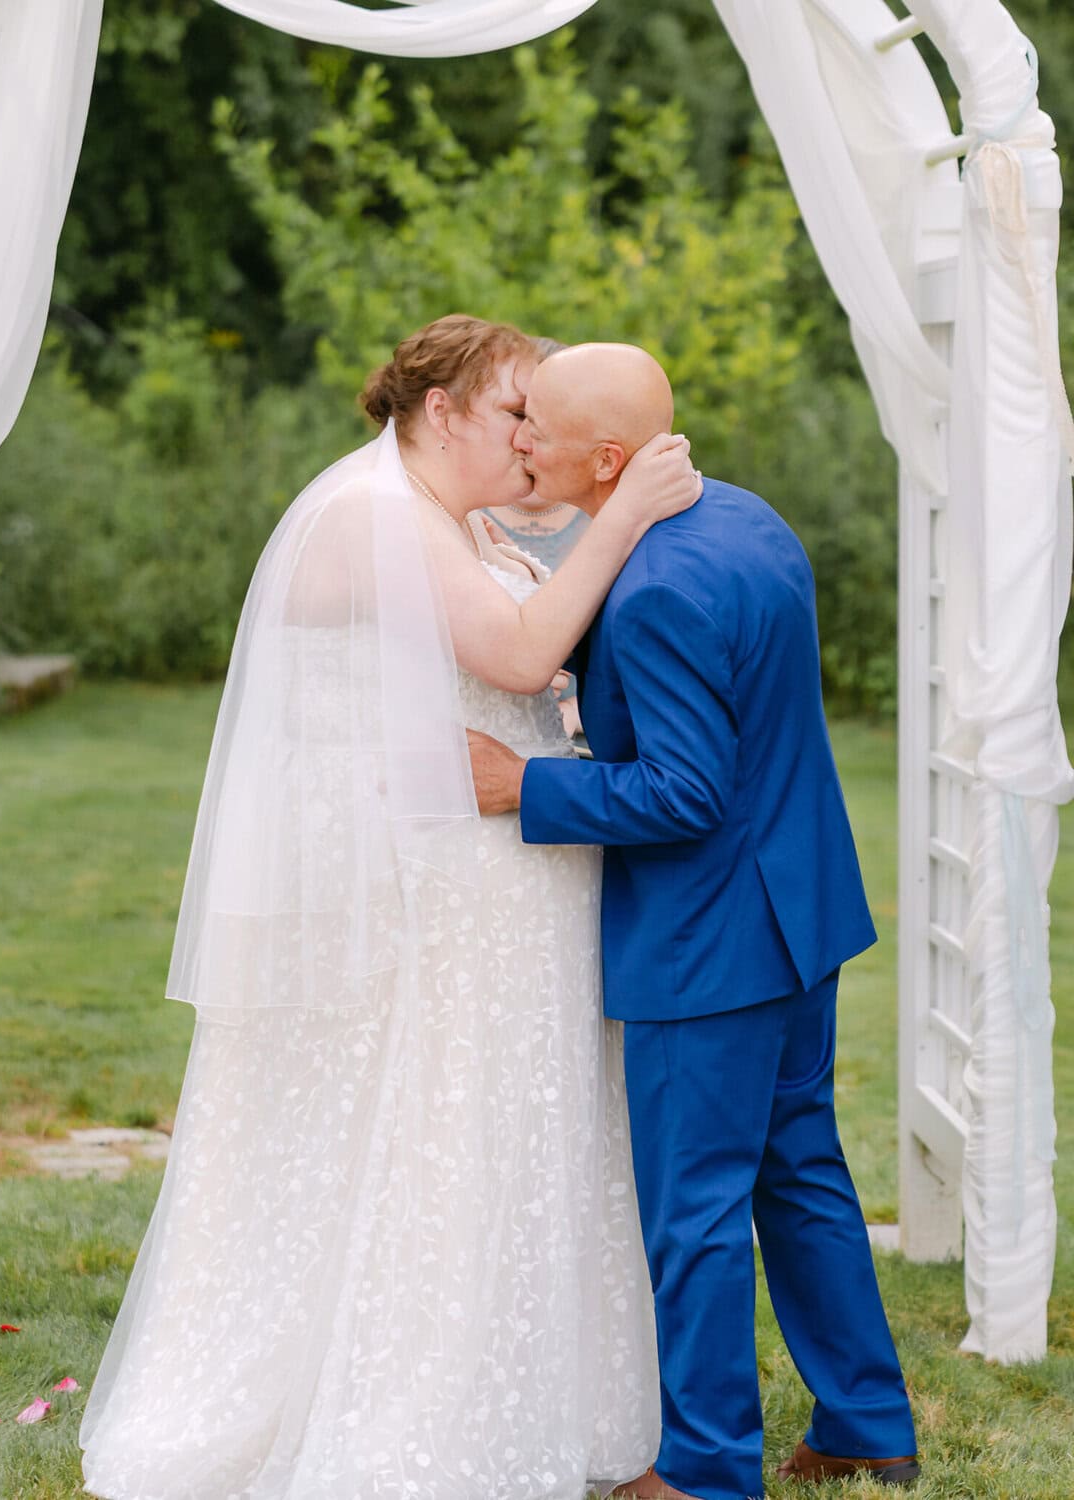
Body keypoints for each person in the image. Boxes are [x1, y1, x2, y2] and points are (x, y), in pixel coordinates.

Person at [79, 316, 703, 1500]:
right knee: (430, 1128)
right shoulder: (371, 515)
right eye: (515, 412)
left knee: (489, 1127)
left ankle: (534, 1390)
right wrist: (623, 514)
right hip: (422, 891)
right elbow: (517, 657)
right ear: (442, 409)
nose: (531, 438)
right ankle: (412, 1408)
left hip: (489, 870)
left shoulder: (454, 518)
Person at [468, 343, 920, 1500]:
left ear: (606, 459)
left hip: (709, 943)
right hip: (797, 911)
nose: (521, 438)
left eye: (539, 426)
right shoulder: (747, 520)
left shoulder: (658, 586)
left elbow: (685, 792)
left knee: (697, 1211)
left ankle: (708, 1471)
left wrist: (524, 787)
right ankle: (867, 1423)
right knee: (800, 1172)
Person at [484, 338, 589, 741]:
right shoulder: (469, 512)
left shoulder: (605, 516)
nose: (526, 435)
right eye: (519, 415)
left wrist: (580, 710)